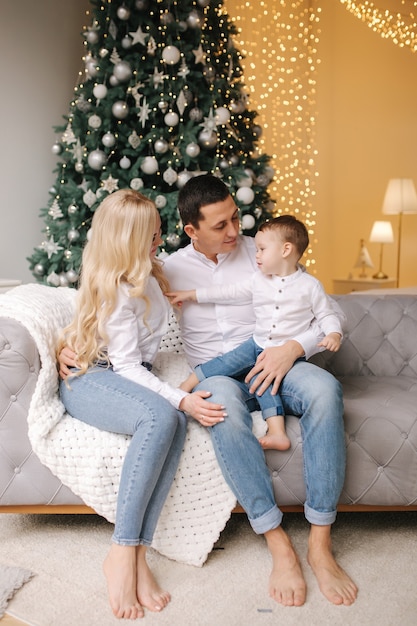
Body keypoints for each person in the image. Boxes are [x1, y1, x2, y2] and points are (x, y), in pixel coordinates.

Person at [59, 176, 358, 608]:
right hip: (215, 375)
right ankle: (277, 543)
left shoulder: (268, 250)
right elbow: (100, 303)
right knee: (217, 409)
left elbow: (326, 309)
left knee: (326, 390)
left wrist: (294, 347)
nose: (235, 231)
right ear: (190, 230)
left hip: (276, 363)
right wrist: (66, 345)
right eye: (220, 225)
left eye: (235, 217)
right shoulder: (166, 266)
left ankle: (320, 543)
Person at [58, 189, 226, 620]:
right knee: (160, 413)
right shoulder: (116, 285)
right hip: (91, 379)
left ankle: (136, 557)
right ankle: (122, 551)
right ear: (128, 239)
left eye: (158, 230)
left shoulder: (150, 270)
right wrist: (183, 398)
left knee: (170, 417)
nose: (160, 237)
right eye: (151, 234)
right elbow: (129, 368)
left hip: (121, 373)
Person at [168, 214, 343, 452]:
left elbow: (327, 315)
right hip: (256, 343)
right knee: (225, 363)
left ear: (285, 250)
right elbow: (226, 292)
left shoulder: (309, 286)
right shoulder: (258, 279)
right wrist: (191, 295)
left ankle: (278, 432)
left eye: (261, 249)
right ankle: (185, 386)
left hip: (279, 354)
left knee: (263, 384)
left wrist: (333, 334)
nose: (256, 255)